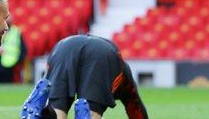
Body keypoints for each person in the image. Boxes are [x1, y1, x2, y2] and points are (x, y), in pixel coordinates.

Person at [20, 35, 148, 119]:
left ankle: (43, 112)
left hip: (64, 47)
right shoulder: (124, 73)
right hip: (102, 53)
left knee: (58, 110)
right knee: (90, 110)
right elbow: (135, 108)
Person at [0, 15, 27, 83]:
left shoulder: (16, 32)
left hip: (9, 64)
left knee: (7, 86)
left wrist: (18, 62)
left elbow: (23, 49)